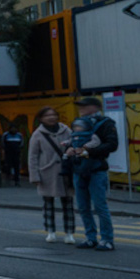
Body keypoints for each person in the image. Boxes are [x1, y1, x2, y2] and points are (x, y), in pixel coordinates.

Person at [68, 97, 118, 251]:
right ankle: (90, 238)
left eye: (84, 106)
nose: (80, 108)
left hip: (97, 170)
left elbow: (112, 145)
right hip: (79, 170)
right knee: (83, 207)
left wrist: (89, 150)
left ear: (96, 107)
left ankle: (107, 239)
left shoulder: (106, 123)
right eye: (79, 106)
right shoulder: (78, 123)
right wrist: (69, 149)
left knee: (100, 206)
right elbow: (72, 142)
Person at [27, 107, 74, 244]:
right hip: (47, 173)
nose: (51, 117)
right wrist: (34, 176)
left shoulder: (67, 130)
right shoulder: (38, 134)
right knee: (48, 204)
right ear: (41, 118)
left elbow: (76, 144)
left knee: (68, 204)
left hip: (65, 172)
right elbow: (33, 157)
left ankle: (69, 233)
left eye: (54, 114)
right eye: (47, 115)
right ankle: (51, 232)